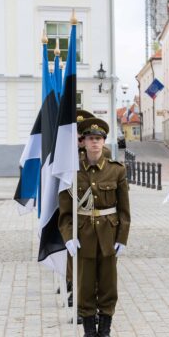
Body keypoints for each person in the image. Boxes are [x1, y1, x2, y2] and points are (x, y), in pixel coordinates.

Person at [59, 117, 130, 337]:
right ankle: (89, 335)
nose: (95, 143)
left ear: (103, 142)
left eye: (99, 139)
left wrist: (122, 238)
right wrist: (68, 237)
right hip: (83, 238)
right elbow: (66, 213)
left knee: (109, 287)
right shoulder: (72, 172)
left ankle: (105, 333)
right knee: (85, 287)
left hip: (109, 237)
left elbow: (124, 210)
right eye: (91, 139)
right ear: (84, 142)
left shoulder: (116, 170)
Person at [66, 110, 112, 310]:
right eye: (80, 135)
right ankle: (72, 284)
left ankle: (90, 293)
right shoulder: (66, 154)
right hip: (74, 208)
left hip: (96, 212)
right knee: (72, 252)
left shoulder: (104, 153)